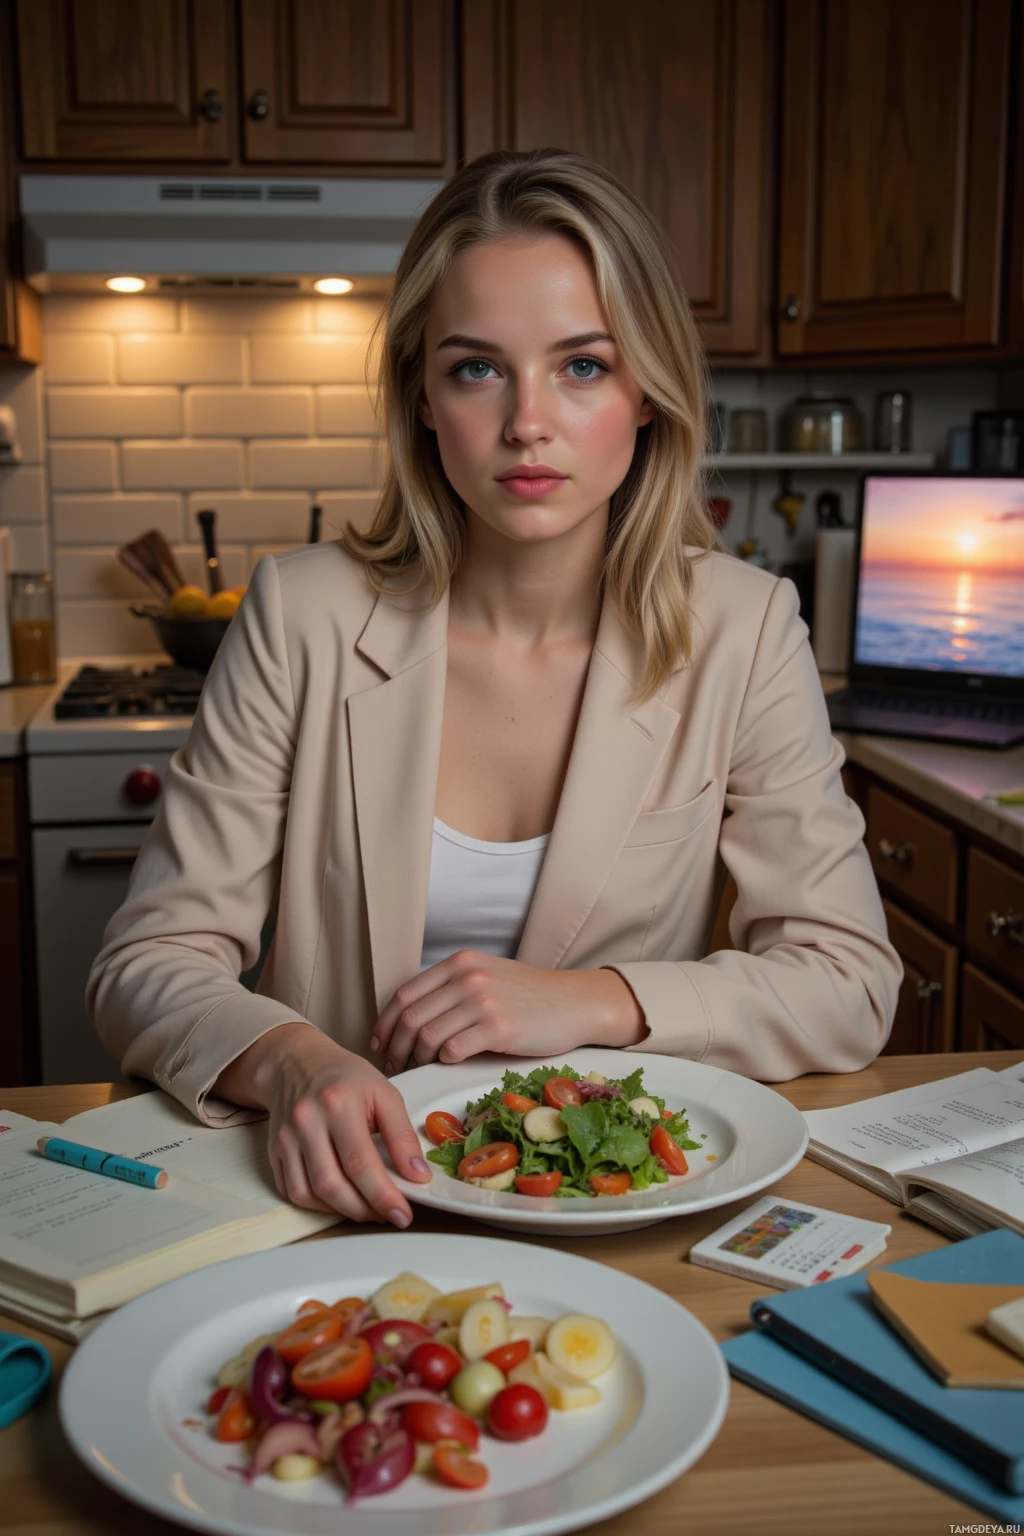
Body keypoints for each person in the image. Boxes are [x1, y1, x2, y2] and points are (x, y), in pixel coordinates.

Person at [87, 149, 901, 1232]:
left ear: (646, 391)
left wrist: (592, 1000)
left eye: (581, 366)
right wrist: (287, 1059)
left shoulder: (743, 630)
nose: (527, 422)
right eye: (477, 368)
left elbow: (845, 982)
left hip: (611, 1206)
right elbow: (148, 959)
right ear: (421, 395)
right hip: (334, 1201)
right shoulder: (302, 614)